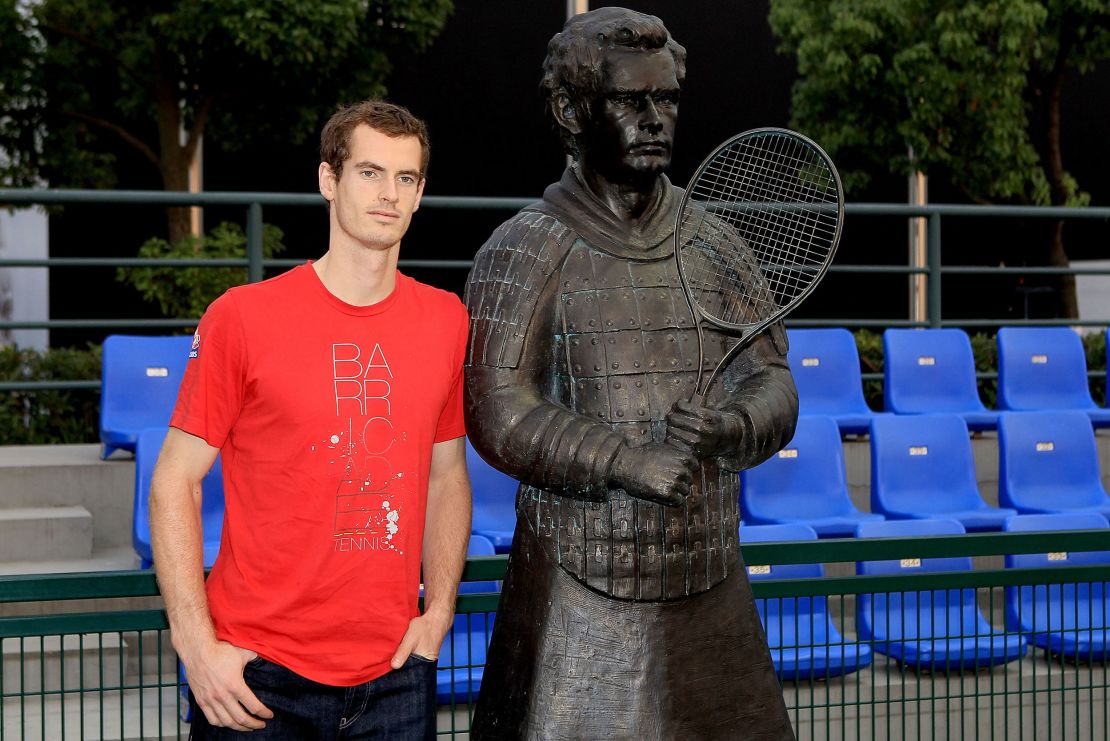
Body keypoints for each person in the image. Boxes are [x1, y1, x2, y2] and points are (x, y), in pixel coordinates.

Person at [464, 8, 797, 739]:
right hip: (578, 585)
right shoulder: (521, 248)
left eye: (667, 99)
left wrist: (732, 425)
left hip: (710, 574)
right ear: (570, 109)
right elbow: (497, 411)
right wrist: (625, 461)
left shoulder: (716, 242)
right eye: (628, 100)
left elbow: (774, 382)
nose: (655, 118)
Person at [150, 100, 472, 739]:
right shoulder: (242, 318)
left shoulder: (445, 321)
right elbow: (172, 483)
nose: (388, 194)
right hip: (258, 677)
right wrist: (196, 647)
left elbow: (446, 476)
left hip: (397, 674)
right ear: (329, 180)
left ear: (420, 194)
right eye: (369, 173)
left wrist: (438, 613)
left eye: (405, 179)